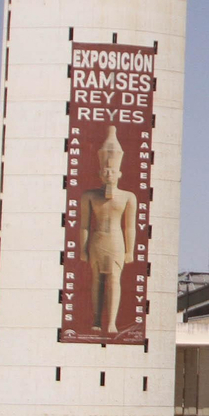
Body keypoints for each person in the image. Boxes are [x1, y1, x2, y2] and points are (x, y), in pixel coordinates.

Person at [81, 127, 137, 333]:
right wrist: (82, 248)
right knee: (97, 279)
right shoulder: (89, 196)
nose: (108, 173)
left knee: (114, 279)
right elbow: (84, 225)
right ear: (99, 173)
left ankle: (111, 322)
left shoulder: (128, 197)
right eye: (105, 171)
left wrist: (130, 250)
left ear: (119, 173)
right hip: (98, 240)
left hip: (116, 240)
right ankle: (96, 319)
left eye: (112, 171)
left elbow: (129, 227)